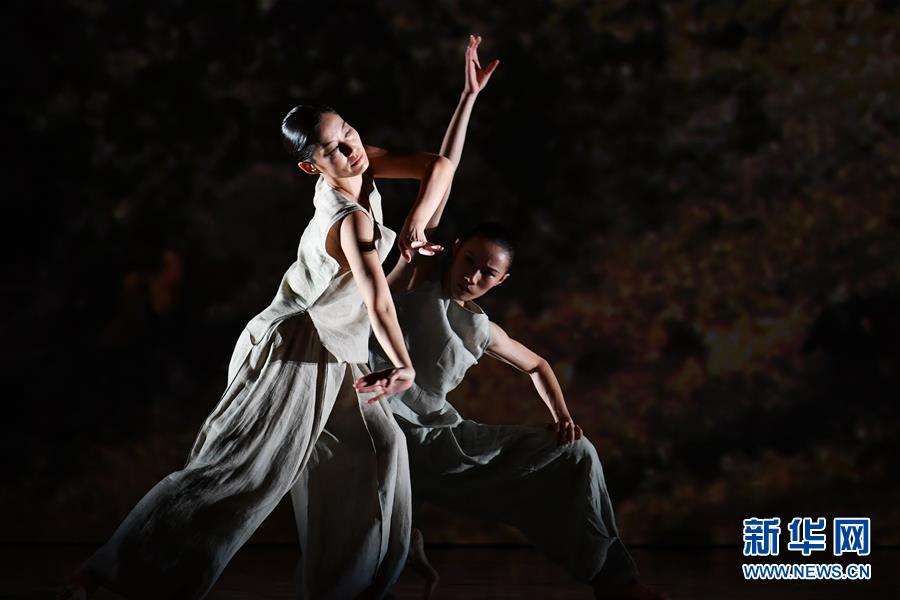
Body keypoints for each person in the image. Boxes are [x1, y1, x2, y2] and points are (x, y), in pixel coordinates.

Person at [60, 83, 457, 598]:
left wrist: (414, 226)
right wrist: (403, 363)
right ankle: (107, 573)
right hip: (292, 350)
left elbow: (438, 166)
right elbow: (378, 299)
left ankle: (346, 590)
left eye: (348, 132)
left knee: (379, 449)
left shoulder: (364, 163)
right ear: (312, 167)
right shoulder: (350, 220)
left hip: (337, 348)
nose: (350, 148)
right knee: (241, 472)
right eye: (333, 148)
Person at [357, 39, 668, 600]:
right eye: (469, 261)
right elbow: (443, 172)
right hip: (389, 428)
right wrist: (468, 98)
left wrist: (563, 417)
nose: (473, 276)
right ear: (454, 249)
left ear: (500, 282)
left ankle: (615, 581)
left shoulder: (482, 329)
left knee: (577, 453)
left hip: (444, 441)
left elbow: (538, 365)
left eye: (487, 273)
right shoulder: (418, 273)